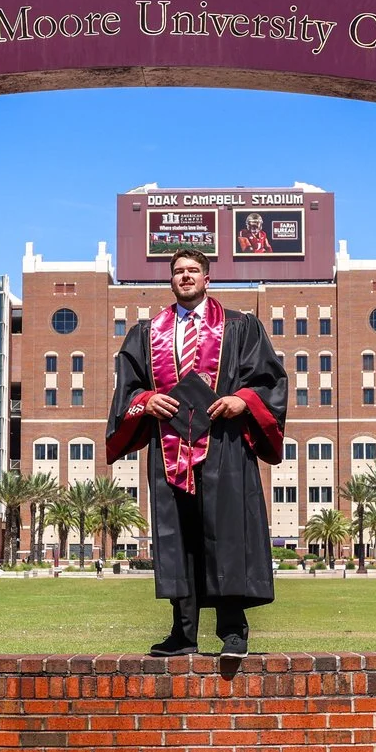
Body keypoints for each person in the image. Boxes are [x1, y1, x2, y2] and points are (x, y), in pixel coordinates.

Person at [105, 248, 287, 658]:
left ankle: (233, 631)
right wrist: (147, 400)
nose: (185, 277)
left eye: (193, 271)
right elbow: (127, 391)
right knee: (177, 537)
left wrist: (243, 400)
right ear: (170, 281)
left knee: (227, 533)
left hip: (224, 445)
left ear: (207, 279)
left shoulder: (241, 327)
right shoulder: (147, 333)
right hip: (169, 446)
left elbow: (270, 380)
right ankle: (183, 632)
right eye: (178, 272)